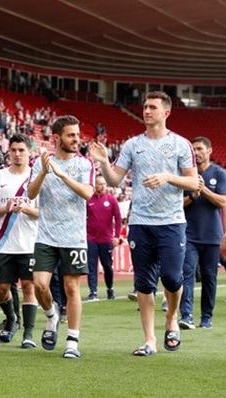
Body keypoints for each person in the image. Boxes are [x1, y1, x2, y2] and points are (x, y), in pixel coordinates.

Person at [90, 91, 198, 357]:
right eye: (145, 106)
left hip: (172, 222)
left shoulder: (181, 144)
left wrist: (167, 177)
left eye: (152, 107)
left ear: (166, 112)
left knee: (173, 279)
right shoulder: (132, 144)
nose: (146, 110)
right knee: (144, 284)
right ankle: (149, 340)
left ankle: (171, 318)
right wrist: (104, 162)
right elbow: (114, 180)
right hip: (140, 223)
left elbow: (194, 182)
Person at [28, 115, 95, 359]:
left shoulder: (84, 164)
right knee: (40, 285)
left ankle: (72, 342)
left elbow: (87, 192)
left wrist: (63, 175)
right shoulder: (40, 162)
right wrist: (45, 172)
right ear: (57, 138)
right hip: (46, 235)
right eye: (71, 135)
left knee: (71, 287)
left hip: (74, 236)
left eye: (77, 135)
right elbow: (31, 193)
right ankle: (51, 315)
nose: (76, 139)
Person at [0, 133, 39, 348]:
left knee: (28, 286)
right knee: (1, 289)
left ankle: (29, 333)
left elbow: (44, 212)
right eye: (14, 150)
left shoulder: (37, 179)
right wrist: (5, 208)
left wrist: (26, 208)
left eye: (21, 150)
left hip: (30, 242)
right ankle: (12, 319)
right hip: (5, 243)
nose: (17, 154)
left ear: (29, 152)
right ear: (9, 152)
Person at [178, 137, 226, 330]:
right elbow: (178, 204)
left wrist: (203, 189)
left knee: (209, 277)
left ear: (209, 151)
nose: (196, 152)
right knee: (186, 274)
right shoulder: (184, 175)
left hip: (212, 235)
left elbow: (223, 201)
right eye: (193, 149)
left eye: (199, 149)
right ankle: (186, 315)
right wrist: (192, 195)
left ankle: (206, 316)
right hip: (188, 234)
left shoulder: (219, 173)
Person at [86, 176, 122, 301]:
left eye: (104, 184)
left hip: (106, 239)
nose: (102, 186)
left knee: (107, 266)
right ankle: (93, 291)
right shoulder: (89, 200)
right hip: (91, 238)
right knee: (91, 266)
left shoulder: (111, 200)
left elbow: (118, 218)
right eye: (100, 184)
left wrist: (116, 236)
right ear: (95, 185)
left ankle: (110, 288)